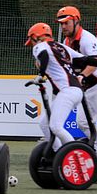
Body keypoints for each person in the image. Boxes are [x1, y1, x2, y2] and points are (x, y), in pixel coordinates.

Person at [57, 5, 97, 156]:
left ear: (76, 21)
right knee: (83, 122)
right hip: (86, 88)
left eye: (66, 23)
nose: (63, 26)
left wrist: (81, 76)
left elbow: (94, 62)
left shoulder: (87, 38)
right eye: (61, 23)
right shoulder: (67, 42)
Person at [25, 23, 84, 152]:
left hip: (68, 91)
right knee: (44, 124)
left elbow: (44, 56)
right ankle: (58, 153)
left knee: (56, 126)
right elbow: (84, 59)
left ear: (36, 37)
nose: (33, 46)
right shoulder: (59, 47)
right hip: (70, 91)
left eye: (32, 42)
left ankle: (75, 154)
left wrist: (40, 75)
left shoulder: (41, 47)